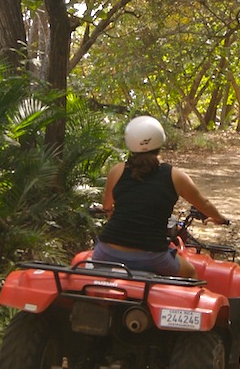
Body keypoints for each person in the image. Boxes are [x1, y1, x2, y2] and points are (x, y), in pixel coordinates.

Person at [91, 115, 228, 278]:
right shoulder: (176, 176)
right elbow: (203, 204)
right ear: (160, 141)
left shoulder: (117, 171)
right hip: (152, 257)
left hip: (106, 253)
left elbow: (107, 206)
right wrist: (219, 218)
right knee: (191, 273)